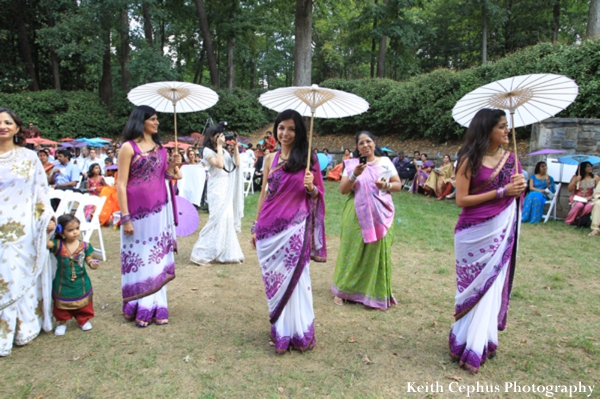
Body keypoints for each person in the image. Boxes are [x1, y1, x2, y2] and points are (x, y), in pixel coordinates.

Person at [448, 108, 526, 374]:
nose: (507, 131)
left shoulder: (512, 159)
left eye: (507, 126)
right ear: (487, 130)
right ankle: (463, 340)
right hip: (472, 232)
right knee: (472, 288)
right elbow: (461, 199)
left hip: (501, 231)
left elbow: (515, 198)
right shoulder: (470, 159)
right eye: (502, 127)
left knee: (492, 286)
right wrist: (502, 191)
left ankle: (481, 341)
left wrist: (519, 187)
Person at [250, 109, 326, 353]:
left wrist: (312, 187)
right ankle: (281, 330)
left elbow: (317, 195)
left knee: (297, 279)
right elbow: (264, 193)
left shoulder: (308, 159)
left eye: (292, 128)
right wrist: (255, 224)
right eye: (281, 127)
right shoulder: (270, 158)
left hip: (294, 229)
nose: (285, 133)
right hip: (268, 230)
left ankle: (299, 330)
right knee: (275, 281)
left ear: (300, 131)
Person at [117, 105, 181, 327]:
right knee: (139, 256)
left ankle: (155, 305)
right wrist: (125, 217)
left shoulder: (161, 149)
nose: (157, 123)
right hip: (135, 213)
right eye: (153, 119)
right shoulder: (128, 147)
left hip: (159, 211)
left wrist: (173, 164)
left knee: (156, 256)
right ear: (141, 121)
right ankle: (138, 304)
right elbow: (121, 183)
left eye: (157, 119)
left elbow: (169, 177)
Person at [0, 107, 55, 356]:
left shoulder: (29, 157)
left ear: (17, 127)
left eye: (7, 122)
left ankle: (24, 326)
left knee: (18, 271)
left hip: (23, 225)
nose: (3, 126)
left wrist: (47, 218)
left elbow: (40, 190)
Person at [331, 131, 401, 309]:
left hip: (381, 214)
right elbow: (343, 190)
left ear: (374, 143)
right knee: (351, 252)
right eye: (361, 143)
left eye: (368, 141)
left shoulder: (385, 162)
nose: (365, 145)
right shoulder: (352, 164)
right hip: (356, 215)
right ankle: (343, 290)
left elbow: (398, 185)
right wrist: (354, 174)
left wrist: (386, 185)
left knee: (376, 254)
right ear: (357, 147)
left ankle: (373, 292)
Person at [190, 125, 244, 266]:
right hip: (216, 190)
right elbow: (219, 164)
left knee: (227, 218)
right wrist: (220, 147)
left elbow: (237, 163)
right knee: (216, 220)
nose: (221, 137)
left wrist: (236, 147)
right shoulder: (207, 151)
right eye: (218, 135)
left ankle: (226, 253)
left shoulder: (224, 151)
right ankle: (200, 254)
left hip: (226, 187)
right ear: (211, 136)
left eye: (222, 135)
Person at [47, 215, 99, 336]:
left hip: (81, 281)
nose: (75, 232)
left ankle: (83, 320)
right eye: (70, 230)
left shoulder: (85, 245)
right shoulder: (58, 245)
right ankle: (62, 323)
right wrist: (48, 230)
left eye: (77, 228)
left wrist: (91, 263)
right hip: (62, 281)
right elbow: (45, 243)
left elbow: (88, 258)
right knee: (61, 304)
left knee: (83, 302)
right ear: (61, 232)